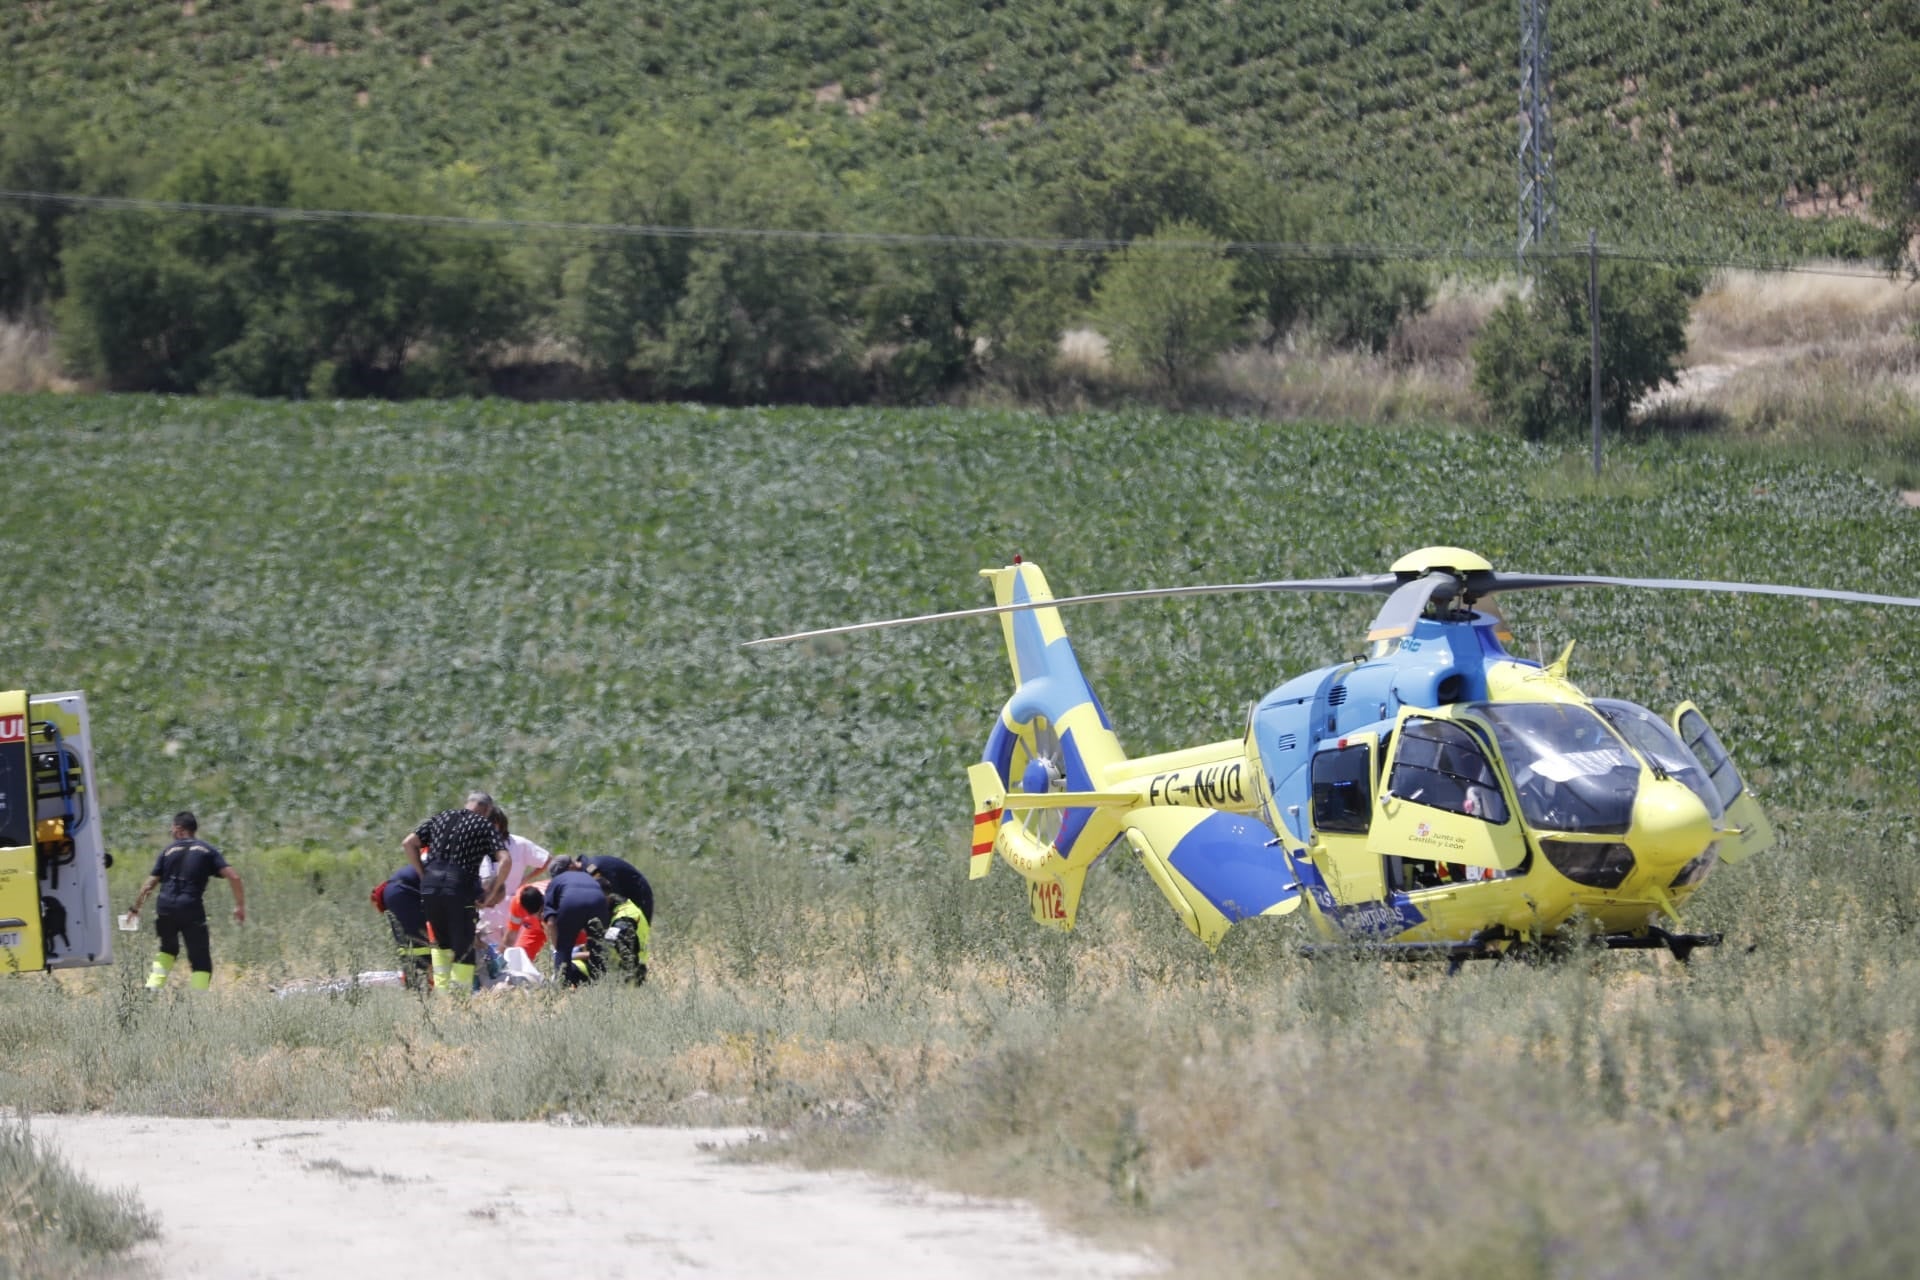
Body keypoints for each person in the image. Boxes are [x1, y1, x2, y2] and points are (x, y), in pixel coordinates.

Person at [402, 791, 507, 995]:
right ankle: (460, 999)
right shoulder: (483, 825)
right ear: (487, 810)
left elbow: (408, 843)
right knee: (464, 947)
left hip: (430, 888)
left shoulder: (441, 817)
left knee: (441, 944)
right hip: (460, 888)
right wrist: (491, 891)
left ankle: (443, 997)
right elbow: (505, 860)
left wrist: (423, 875)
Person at [127, 811, 244, 991]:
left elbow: (149, 885)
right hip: (190, 908)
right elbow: (234, 877)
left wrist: (135, 909)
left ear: (179, 829)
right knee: (200, 960)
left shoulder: (167, 851)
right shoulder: (207, 850)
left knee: (167, 950)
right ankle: (197, 1000)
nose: (171, 831)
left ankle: (151, 991)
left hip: (164, 907)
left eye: (172, 828)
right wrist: (239, 906)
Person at [476, 806, 551, 948]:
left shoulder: (519, 844)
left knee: (515, 949)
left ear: (500, 823)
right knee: (489, 952)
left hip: (513, 904)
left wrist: (526, 879)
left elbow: (546, 860)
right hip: (486, 906)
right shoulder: (475, 846)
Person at [541, 863, 608, 986]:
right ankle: (602, 986)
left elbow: (551, 923)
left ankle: (562, 988)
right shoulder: (585, 875)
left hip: (571, 902)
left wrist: (559, 949)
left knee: (564, 948)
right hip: (599, 901)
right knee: (598, 949)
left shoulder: (555, 882)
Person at [371, 864, 434, 987]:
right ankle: (420, 989)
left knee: (409, 944)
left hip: (397, 892)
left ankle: (416, 985)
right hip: (404, 893)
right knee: (420, 942)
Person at [501, 883, 549, 966]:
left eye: (541, 912)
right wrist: (501, 958)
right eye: (537, 915)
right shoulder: (517, 904)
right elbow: (511, 935)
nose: (540, 917)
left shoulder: (555, 898)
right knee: (519, 959)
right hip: (535, 929)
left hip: (562, 924)